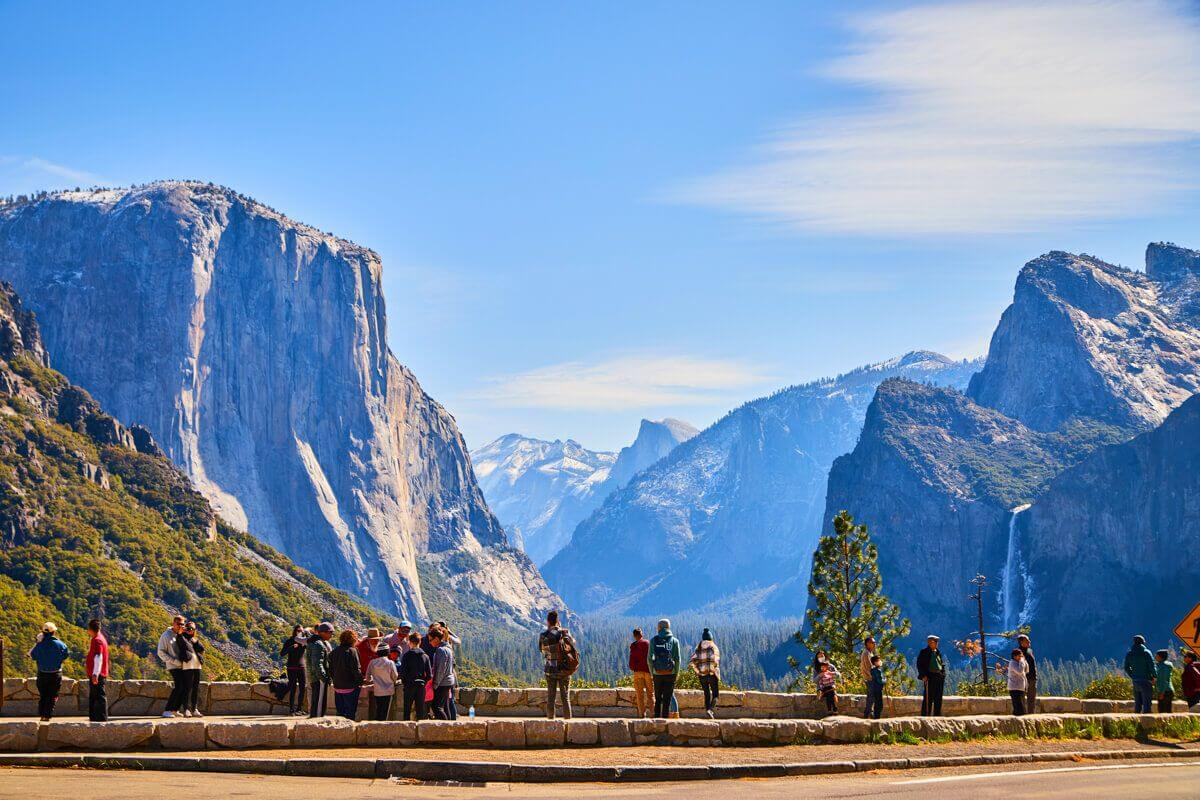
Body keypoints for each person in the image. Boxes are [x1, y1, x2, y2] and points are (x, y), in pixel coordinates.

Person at [539, 610, 577, 720]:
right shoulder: (564, 633)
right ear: (558, 621)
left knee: (551, 697)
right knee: (565, 698)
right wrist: (562, 631)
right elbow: (573, 643)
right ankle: (568, 723)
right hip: (564, 669)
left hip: (550, 669)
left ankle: (551, 722)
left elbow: (542, 650)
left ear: (548, 622)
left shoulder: (543, 635)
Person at [29, 622, 69, 721]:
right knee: (52, 696)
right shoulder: (61, 645)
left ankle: (42, 714)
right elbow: (65, 655)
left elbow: (32, 655)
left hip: (42, 674)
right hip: (56, 674)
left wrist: (38, 643)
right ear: (54, 632)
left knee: (43, 695)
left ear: (43, 632)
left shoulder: (40, 645)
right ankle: (47, 715)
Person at [649, 619, 681, 719]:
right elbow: (678, 659)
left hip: (657, 673)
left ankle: (657, 720)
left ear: (659, 628)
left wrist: (652, 672)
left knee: (658, 698)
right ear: (668, 627)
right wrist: (676, 672)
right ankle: (665, 722)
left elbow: (649, 658)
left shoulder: (653, 640)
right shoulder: (674, 641)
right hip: (670, 673)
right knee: (667, 699)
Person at [156, 615, 187, 718]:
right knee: (179, 686)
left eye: (182, 624)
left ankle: (175, 709)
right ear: (173, 623)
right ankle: (167, 710)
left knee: (184, 687)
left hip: (183, 665)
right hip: (173, 665)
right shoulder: (166, 635)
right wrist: (174, 661)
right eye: (178, 624)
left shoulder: (181, 634)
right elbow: (161, 652)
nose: (180, 626)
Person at [330, 629, 364, 720]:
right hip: (350, 687)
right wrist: (361, 682)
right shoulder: (352, 651)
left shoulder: (335, 651)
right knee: (350, 714)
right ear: (353, 639)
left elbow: (330, 668)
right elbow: (356, 670)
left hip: (337, 687)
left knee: (340, 713)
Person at [688, 628, 721, 719]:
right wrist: (713, 671)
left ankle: (707, 711)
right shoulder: (713, 647)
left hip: (702, 675)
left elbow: (692, 662)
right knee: (715, 694)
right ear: (711, 638)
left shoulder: (698, 647)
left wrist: (698, 671)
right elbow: (716, 661)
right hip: (711, 674)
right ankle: (710, 709)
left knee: (706, 693)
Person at [399, 633, 432, 721]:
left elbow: (402, 673)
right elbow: (429, 675)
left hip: (409, 685)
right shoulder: (425, 656)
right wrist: (423, 681)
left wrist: (405, 682)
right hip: (421, 686)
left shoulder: (406, 656)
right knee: (420, 710)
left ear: (410, 642)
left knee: (407, 710)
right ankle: (420, 731)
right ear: (419, 642)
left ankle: (406, 730)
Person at [306, 622, 335, 718]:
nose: (332, 635)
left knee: (316, 701)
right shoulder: (319, 645)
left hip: (314, 677)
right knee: (319, 704)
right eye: (330, 632)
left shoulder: (313, 642)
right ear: (323, 632)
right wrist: (324, 677)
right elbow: (317, 664)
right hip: (319, 679)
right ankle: (316, 724)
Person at [1124, 635, 1156, 714]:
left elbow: (1126, 667)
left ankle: (1135, 722)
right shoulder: (1146, 653)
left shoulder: (1130, 654)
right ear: (1143, 643)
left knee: (1137, 703)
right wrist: (1154, 676)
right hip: (1146, 680)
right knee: (1147, 704)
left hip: (1135, 681)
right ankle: (1147, 724)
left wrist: (1132, 675)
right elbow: (1152, 666)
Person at [85, 619, 109, 722]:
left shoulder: (97, 640)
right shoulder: (101, 638)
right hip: (99, 673)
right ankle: (95, 718)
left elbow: (98, 657)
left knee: (98, 696)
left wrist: (95, 674)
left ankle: (100, 718)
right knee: (95, 696)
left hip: (97, 674)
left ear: (90, 629)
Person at [429, 629, 457, 720]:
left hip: (442, 682)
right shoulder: (448, 648)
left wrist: (435, 684)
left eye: (430, 640)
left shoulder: (440, 650)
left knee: (437, 707)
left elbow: (441, 669)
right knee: (445, 706)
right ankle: (448, 726)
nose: (429, 643)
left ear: (436, 638)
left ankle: (444, 727)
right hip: (449, 681)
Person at [916, 635, 946, 717]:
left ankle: (937, 716)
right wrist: (923, 675)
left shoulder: (938, 652)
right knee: (928, 698)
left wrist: (943, 675)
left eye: (937, 642)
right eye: (935, 642)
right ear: (929, 642)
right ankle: (925, 716)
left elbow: (941, 664)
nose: (937, 643)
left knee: (938, 698)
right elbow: (919, 665)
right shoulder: (924, 652)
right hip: (929, 677)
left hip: (939, 677)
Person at [281, 625, 308, 715]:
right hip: (291, 667)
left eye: (301, 631)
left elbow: (311, 645)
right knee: (293, 688)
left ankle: (299, 709)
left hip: (302, 667)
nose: (299, 632)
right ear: (295, 631)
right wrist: (292, 647)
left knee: (302, 688)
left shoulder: (303, 641)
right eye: (298, 630)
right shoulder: (290, 641)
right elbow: (282, 653)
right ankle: (291, 709)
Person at [367, 644, 398, 721]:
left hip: (377, 691)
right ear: (388, 652)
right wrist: (394, 682)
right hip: (388, 691)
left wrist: (373, 679)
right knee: (385, 712)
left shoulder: (372, 662)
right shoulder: (390, 663)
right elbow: (395, 676)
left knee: (379, 710)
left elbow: (367, 678)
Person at [182, 621, 205, 717]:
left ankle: (194, 709)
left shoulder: (194, 639)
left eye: (192, 629)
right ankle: (186, 709)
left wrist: (196, 641)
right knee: (187, 688)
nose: (189, 630)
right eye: (188, 628)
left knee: (196, 688)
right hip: (187, 665)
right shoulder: (181, 638)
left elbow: (202, 649)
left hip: (197, 665)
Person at [628, 628, 652, 719]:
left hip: (638, 672)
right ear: (641, 634)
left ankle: (642, 715)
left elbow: (631, 660)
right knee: (650, 694)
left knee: (640, 694)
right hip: (648, 671)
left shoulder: (633, 645)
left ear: (634, 636)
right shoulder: (648, 643)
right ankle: (653, 713)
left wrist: (633, 668)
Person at [999, 649, 1029, 716]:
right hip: (1015, 688)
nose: (1020, 657)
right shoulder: (1012, 663)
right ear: (1014, 656)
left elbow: (1026, 670)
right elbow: (1020, 671)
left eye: (1021, 656)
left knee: (1023, 708)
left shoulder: (1020, 663)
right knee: (1018, 708)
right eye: (1019, 656)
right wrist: (1022, 661)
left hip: (1021, 688)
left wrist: (1024, 661)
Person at [859, 636, 878, 717]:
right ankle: (867, 714)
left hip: (871, 678)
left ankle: (869, 712)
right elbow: (869, 667)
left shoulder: (870, 653)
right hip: (870, 678)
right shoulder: (866, 653)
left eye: (874, 642)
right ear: (867, 644)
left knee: (872, 696)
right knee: (871, 696)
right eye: (872, 642)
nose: (874, 644)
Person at [864, 655, 885, 720]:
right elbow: (880, 680)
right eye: (878, 660)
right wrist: (885, 680)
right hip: (878, 689)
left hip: (874, 688)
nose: (880, 661)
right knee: (879, 704)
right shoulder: (877, 671)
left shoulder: (873, 670)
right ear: (875, 662)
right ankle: (877, 717)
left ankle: (876, 716)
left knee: (877, 703)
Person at [1154, 649, 1174, 714]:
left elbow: (1164, 680)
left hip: (1166, 691)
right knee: (1166, 711)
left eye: (1156, 655)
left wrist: (1162, 692)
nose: (1155, 657)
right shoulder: (1160, 665)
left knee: (1163, 712)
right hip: (1165, 690)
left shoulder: (1164, 667)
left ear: (1160, 657)